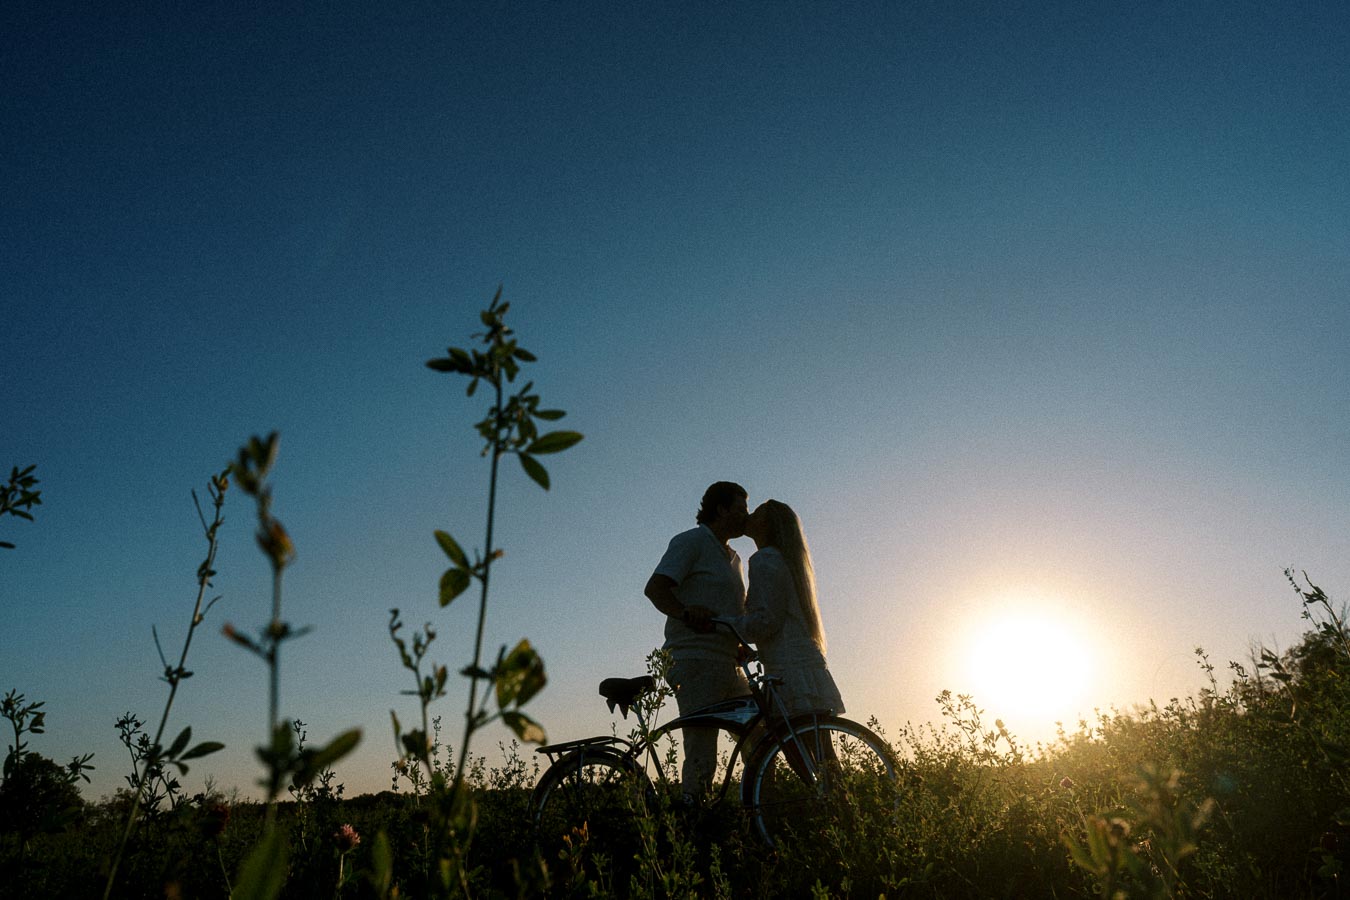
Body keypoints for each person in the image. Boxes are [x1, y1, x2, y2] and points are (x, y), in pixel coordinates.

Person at [644, 481, 750, 796]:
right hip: (694, 659)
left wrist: (741, 644)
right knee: (703, 750)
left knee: (759, 731)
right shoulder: (691, 542)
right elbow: (656, 589)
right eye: (741, 508)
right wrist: (685, 611)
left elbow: (729, 611)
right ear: (720, 509)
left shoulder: (735, 558)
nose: (746, 515)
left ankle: (756, 816)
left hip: (728, 663)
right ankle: (694, 826)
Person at [734, 499, 844, 716]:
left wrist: (727, 625)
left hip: (788, 669)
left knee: (794, 741)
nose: (749, 515)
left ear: (768, 524)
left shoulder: (765, 559)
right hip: (807, 665)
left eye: (757, 512)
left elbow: (766, 620)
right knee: (818, 744)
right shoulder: (787, 561)